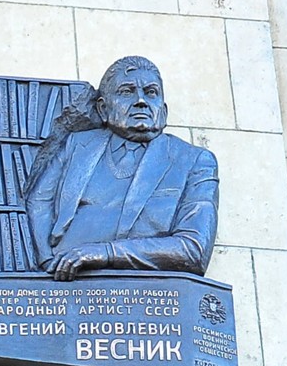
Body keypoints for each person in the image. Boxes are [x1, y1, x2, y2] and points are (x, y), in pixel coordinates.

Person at [24, 55, 219, 279]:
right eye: (127, 92)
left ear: (163, 110)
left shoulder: (194, 161)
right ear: (103, 108)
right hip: (64, 280)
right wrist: (48, 261)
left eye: (151, 92)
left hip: (143, 291)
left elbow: (193, 249)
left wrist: (106, 253)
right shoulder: (76, 145)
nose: (141, 101)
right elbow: (39, 201)